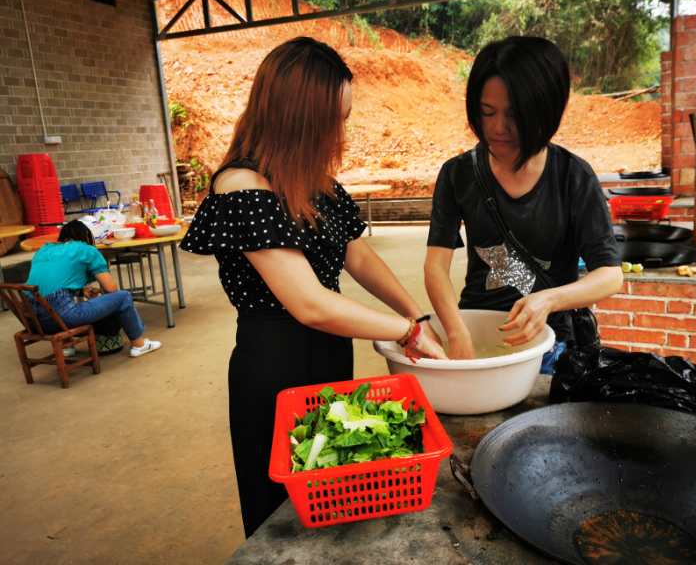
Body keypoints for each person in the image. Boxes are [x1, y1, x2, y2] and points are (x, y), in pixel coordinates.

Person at [180, 36, 445, 538]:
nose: (341, 134)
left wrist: (418, 313)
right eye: (335, 121)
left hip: (327, 357)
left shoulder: (311, 180)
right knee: (283, 515)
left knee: (335, 495)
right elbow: (309, 303)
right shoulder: (240, 186)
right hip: (274, 366)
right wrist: (405, 330)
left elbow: (358, 254)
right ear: (300, 119)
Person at [424, 36, 623, 361]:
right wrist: (456, 329)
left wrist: (548, 300)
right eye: (487, 112)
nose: (497, 127)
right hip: (476, 330)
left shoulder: (573, 176)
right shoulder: (458, 174)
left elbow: (610, 275)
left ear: (545, 111)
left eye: (514, 115)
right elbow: (435, 267)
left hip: (551, 343)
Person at [25, 220, 162, 358]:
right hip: (64, 317)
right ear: (87, 237)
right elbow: (111, 289)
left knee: (56, 301)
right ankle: (139, 344)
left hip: (34, 321)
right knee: (123, 296)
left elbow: (49, 283)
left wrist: (80, 291)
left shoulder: (43, 250)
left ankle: (66, 346)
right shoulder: (86, 250)